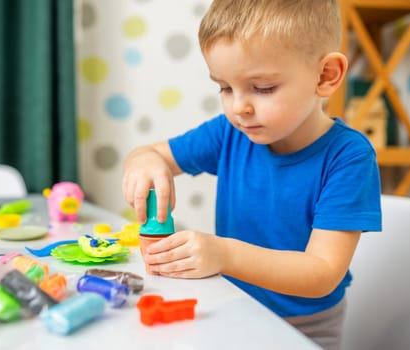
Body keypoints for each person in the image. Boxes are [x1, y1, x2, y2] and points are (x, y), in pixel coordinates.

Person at [121, 1, 382, 349]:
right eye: (225, 88)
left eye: (262, 88)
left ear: (325, 76)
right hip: (232, 307)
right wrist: (147, 162)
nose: (238, 107)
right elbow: (150, 154)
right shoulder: (231, 133)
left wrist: (223, 255)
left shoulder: (348, 157)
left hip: (305, 327)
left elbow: (321, 273)